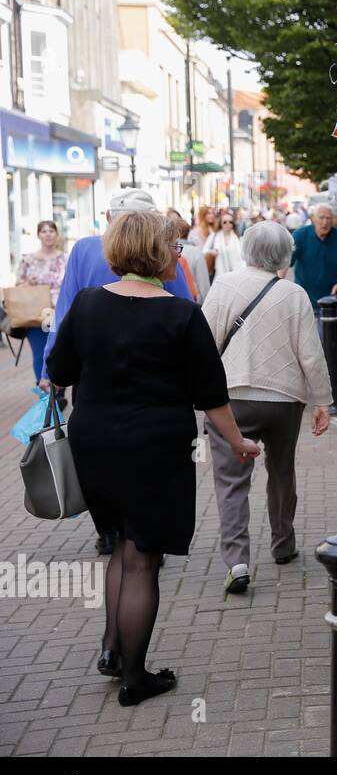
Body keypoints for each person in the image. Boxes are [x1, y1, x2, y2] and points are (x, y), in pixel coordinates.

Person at [45, 210, 259, 706]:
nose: (179, 256)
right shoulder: (180, 314)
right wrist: (240, 442)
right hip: (155, 446)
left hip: (94, 440)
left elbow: (59, 368)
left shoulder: (87, 302)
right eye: (175, 248)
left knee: (121, 543)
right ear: (158, 253)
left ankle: (112, 650)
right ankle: (135, 678)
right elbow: (212, 396)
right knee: (144, 558)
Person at [40, 190, 193, 559]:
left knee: (101, 447)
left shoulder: (84, 251)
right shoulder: (162, 252)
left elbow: (64, 309)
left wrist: (50, 367)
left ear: (110, 218)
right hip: (155, 379)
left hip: (94, 374)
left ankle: (108, 530)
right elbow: (185, 305)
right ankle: (136, 533)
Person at [203, 222, 332, 594]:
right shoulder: (294, 294)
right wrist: (322, 401)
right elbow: (311, 354)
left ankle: (238, 561)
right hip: (283, 400)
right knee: (281, 472)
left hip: (230, 399)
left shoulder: (224, 285)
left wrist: (198, 395)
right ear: (285, 255)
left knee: (231, 481)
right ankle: (283, 544)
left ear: (246, 249)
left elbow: (204, 342)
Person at [292, 205, 337, 413]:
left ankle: (333, 392)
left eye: (329, 218)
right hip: (304, 301)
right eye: (321, 218)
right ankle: (305, 390)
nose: (325, 222)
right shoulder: (300, 235)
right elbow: (286, 264)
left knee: (326, 345)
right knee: (303, 347)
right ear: (312, 219)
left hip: (329, 302)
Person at [15, 220, 67, 384]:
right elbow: (18, 287)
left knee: (59, 351)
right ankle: (44, 394)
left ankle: (58, 391)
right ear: (38, 235)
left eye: (51, 230)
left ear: (57, 234)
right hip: (36, 314)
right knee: (40, 353)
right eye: (44, 231)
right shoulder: (28, 260)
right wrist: (29, 283)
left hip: (60, 312)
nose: (48, 234)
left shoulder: (65, 258)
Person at [171, 218, 211, 304]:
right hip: (193, 301)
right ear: (188, 233)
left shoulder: (167, 251)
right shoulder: (196, 252)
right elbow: (204, 284)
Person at [204, 211, 245, 277]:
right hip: (219, 274)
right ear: (221, 224)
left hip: (236, 275)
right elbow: (204, 250)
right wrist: (211, 251)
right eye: (225, 222)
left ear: (233, 224)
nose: (227, 224)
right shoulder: (214, 236)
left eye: (230, 222)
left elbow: (242, 256)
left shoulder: (237, 237)